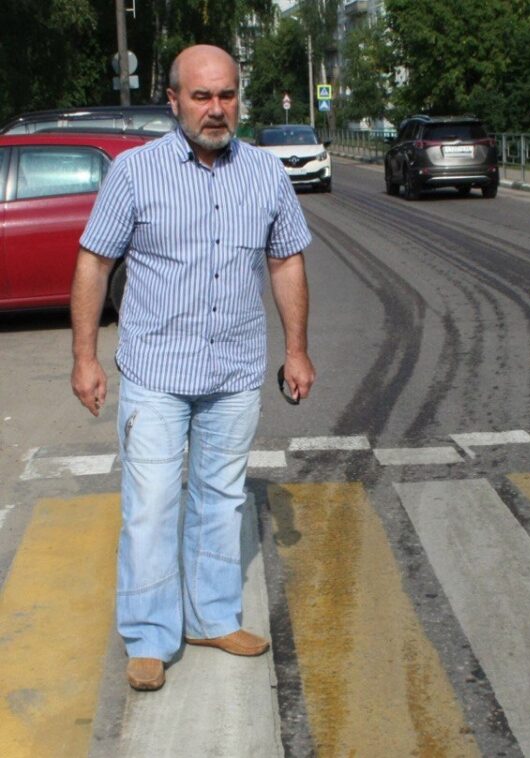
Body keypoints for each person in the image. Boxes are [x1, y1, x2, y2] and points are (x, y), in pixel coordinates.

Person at [70, 44, 315, 692]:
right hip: (155, 373)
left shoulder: (265, 175)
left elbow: (286, 260)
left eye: (226, 95)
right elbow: (94, 261)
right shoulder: (134, 173)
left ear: (240, 99)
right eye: (201, 96)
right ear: (174, 100)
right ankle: (150, 637)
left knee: (220, 500)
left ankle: (210, 616)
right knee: (151, 505)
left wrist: (295, 349)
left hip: (234, 373)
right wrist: (85, 359)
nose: (216, 109)